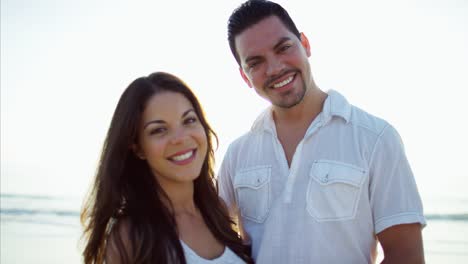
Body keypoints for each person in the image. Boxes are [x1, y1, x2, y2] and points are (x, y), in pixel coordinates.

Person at [218, 0, 426, 263]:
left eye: (283, 48)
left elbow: (406, 256)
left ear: (305, 44)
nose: (275, 68)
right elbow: (211, 243)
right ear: (244, 77)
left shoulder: (375, 138)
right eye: (256, 62)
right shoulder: (237, 154)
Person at [81, 72, 253, 264]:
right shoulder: (131, 236)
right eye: (159, 130)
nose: (180, 138)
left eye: (189, 120)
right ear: (138, 148)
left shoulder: (218, 213)